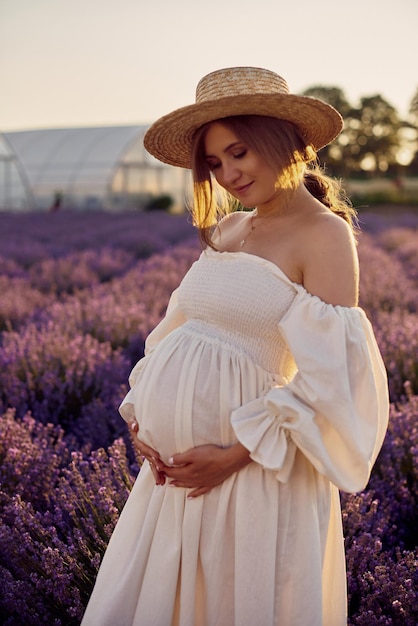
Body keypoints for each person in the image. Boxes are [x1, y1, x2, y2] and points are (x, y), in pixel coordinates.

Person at [81, 67, 389, 626]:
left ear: (281, 141)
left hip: (253, 473)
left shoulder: (324, 235)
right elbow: (175, 331)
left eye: (239, 153)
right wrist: (142, 419)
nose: (228, 174)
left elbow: (333, 380)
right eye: (215, 164)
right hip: (173, 481)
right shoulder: (226, 231)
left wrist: (235, 454)